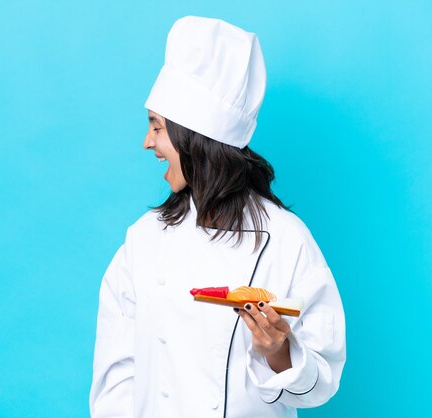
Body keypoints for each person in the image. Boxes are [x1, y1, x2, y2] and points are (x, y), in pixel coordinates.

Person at [89, 15, 346, 418]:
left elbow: (322, 379)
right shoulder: (144, 240)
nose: (147, 142)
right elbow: (117, 377)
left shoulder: (284, 239)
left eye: (157, 127)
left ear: (194, 137)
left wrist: (280, 352)